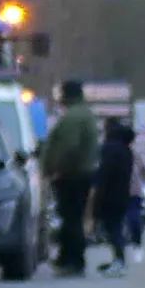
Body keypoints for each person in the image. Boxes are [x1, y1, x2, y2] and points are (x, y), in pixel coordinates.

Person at [40, 81, 101, 276]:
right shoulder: (84, 114)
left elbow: (69, 147)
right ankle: (69, 258)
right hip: (81, 173)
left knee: (70, 217)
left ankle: (72, 260)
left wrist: (57, 169)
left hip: (72, 175)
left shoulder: (73, 117)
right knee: (73, 216)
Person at [88, 101, 142, 268]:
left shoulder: (109, 149)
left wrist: (96, 190)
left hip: (108, 196)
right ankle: (118, 259)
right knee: (116, 227)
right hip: (122, 195)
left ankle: (119, 261)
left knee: (112, 230)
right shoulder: (126, 150)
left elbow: (103, 173)